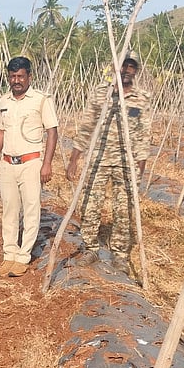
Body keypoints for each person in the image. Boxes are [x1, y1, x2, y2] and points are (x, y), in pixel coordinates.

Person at [65, 52, 152, 273]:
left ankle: (120, 254)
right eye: (123, 65)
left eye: (131, 66)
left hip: (126, 163)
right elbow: (87, 126)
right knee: (90, 205)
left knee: (123, 210)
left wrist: (140, 166)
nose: (127, 70)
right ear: (115, 66)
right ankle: (90, 248)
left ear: (136, 70)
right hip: (99, 159)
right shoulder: (101, 93)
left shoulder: (141, 98)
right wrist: (74, 158)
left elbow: (144, 134)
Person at [0, 56, 59, 278]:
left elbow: (52, 132)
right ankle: (9, 255)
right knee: (9, 210)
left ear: (29, 76)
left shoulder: (41, 100)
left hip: (31, 163)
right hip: (8, 163)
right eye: (12, 76)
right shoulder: (4, 101)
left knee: (30, 210)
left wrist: (47, 163)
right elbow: (0, 132)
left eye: (20, 76)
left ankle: (23, 256)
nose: (16, 80)